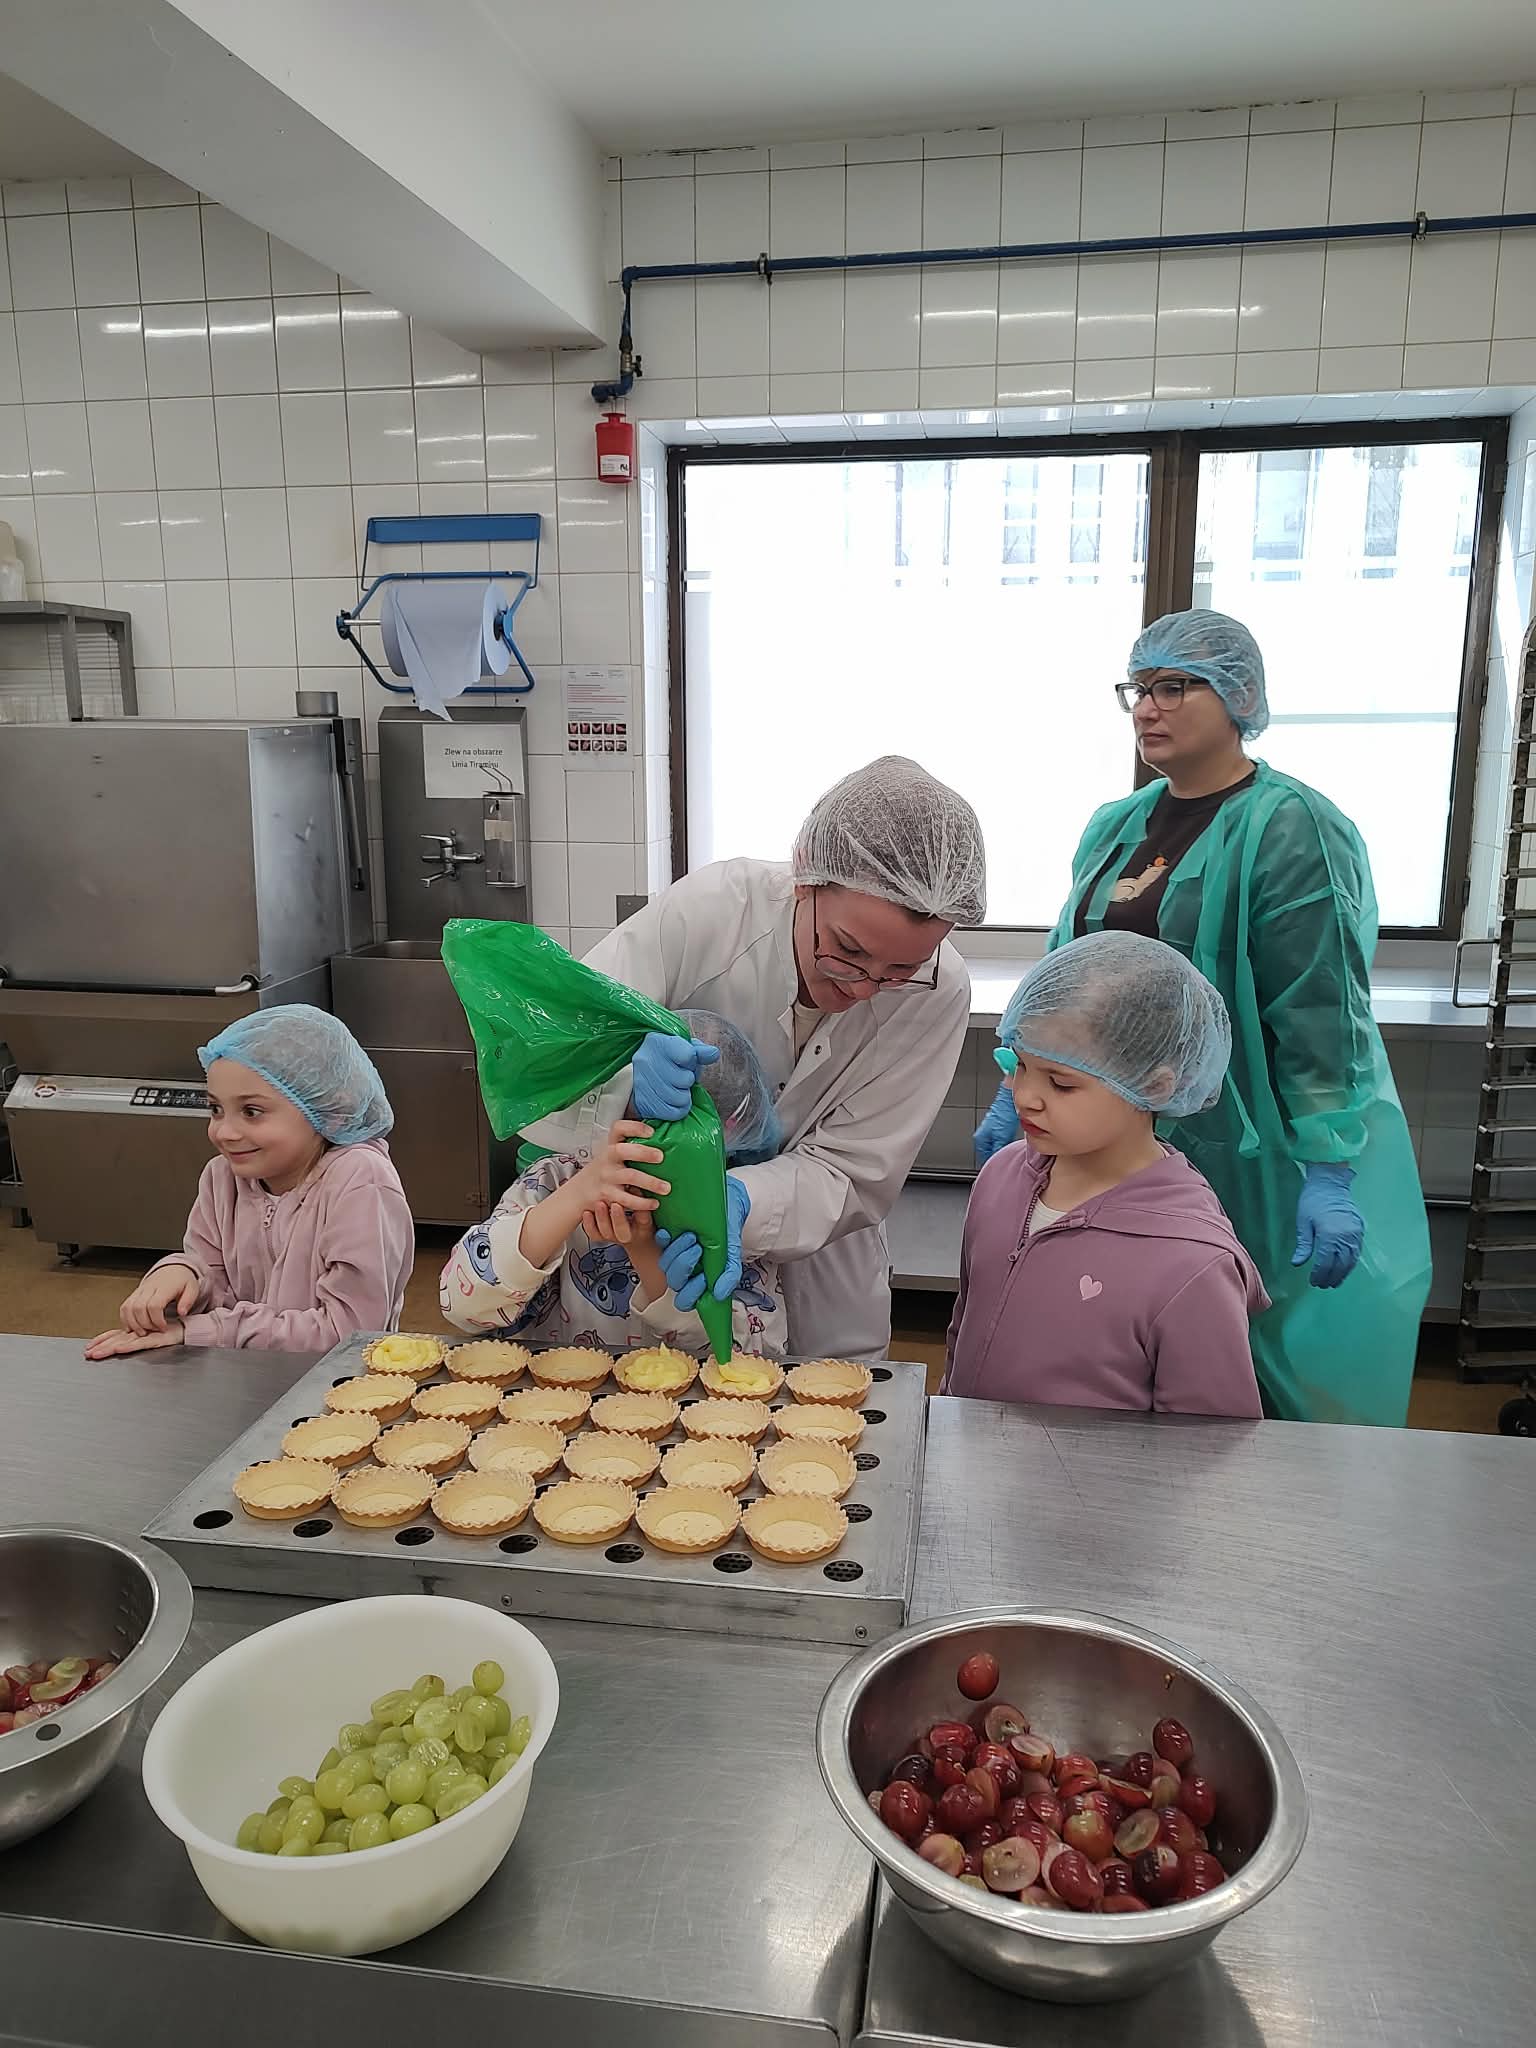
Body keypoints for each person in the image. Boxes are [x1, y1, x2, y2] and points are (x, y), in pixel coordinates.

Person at [974, 609, 1430, 1426]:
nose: (1148, 708)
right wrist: (1022, 1076)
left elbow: (1319, 1007)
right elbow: (1065, 970)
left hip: (1249, 1142)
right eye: (1139, 689)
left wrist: (1327, 1164)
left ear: (1239, 696)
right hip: (1112, 1133)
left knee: (1239, 1336)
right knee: (1105, 1326)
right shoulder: (1116, 825)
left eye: (1175, 687)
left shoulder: (1291, 827)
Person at [582, 756, 987, 1362]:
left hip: (824, 1269)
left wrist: (740, 1201)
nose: (864, 988)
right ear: (805, 878)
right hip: (654, 1237)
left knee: (826, 1404)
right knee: (660, 1385)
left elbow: (852, 1172)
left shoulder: (939, 991)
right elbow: (562, 1047)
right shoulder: (712, 912)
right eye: (847, 950)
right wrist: (621, 1078)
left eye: (901, 970)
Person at [944, 933, 1265, 1416]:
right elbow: (963, 1326)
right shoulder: (1001, 1179)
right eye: (1020, 1065)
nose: (1025, 1096)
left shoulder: (1191, 1262)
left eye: (1061, 1083)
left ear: (1154, 1086)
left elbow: (1212, 1442)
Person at [439, 1011, 790, 1356]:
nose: (659, 1160)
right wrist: (577, 1194)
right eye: (645, 1127)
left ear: (728, 1138)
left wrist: (647, 1255)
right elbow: (462, 1304)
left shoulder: (731, 1217)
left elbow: (748, 1360)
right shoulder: (555, 1180)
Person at [85, 1006, 414, 1358]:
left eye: (252, 1112)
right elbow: (213, 1280)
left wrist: (206, 1331)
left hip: (334, 1382)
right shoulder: (222, 1178)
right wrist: (182, 1274)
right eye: (215, 1109)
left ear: (329, 1109)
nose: (224, 1132)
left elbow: (349, 1333)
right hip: (243, 1372)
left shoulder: (360, 1182)